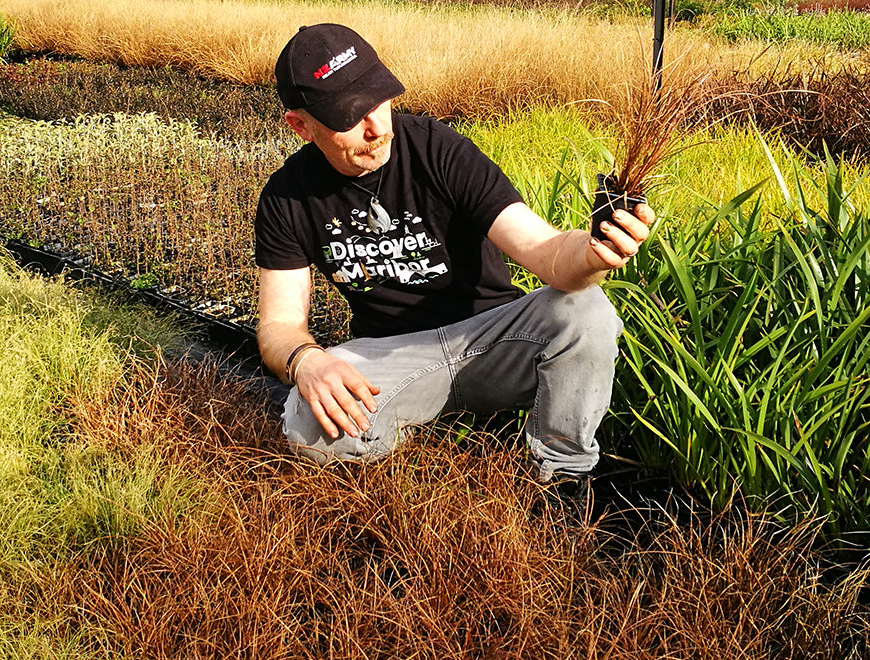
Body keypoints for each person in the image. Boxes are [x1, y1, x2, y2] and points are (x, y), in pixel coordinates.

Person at [254, 23, 655, 484]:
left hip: (492, 340)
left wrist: (593, 252)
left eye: (378, 101)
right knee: (309, 423)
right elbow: (279, 325)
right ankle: (399, 446)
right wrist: (307, 361)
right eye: (349, 116)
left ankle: (561, 478)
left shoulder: (438, 149)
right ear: (301, 126)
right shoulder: (286, 197)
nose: (377, 128)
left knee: (586, 310)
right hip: (394, 356)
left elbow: (544, 251)